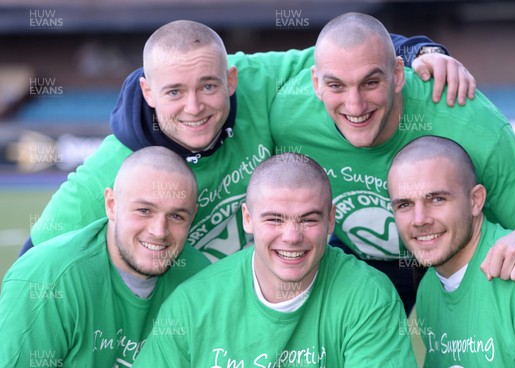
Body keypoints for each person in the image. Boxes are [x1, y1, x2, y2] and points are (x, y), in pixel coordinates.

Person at [24, 19, 476, 261]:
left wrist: (420, 50)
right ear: (148, 92)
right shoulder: (119, 165)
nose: (195, 107)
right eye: (174, 92)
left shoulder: (260, 82)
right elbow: (34, 259)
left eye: (208, 86)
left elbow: (349, 50)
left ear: (231, 78)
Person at [268, 12, 515, 310]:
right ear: (315, 84)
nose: (355, 105)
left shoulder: (469, 124)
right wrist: (422, 48)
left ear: (398, 74)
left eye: (371, 82)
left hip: (461, 259)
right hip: (362, 257)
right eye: (336, 85)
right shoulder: (287, 115)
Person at [132, 153, 418, 367]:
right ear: (248, 219)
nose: (292, 237)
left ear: (331, 219)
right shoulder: (192, 303)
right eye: (274, 219)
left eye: (308, 219)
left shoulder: (368, 296)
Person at [387, 136, 515, 367]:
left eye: (437, 199)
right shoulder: (430, 287)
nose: (420, 220)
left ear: (476, 201)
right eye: (405, 204)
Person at [0, 146, 210, 367]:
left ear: (192, 216)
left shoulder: (200, 279)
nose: (159, 231)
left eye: (176, 216)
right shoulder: (48, 278)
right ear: (111, 205)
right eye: (144, 211)